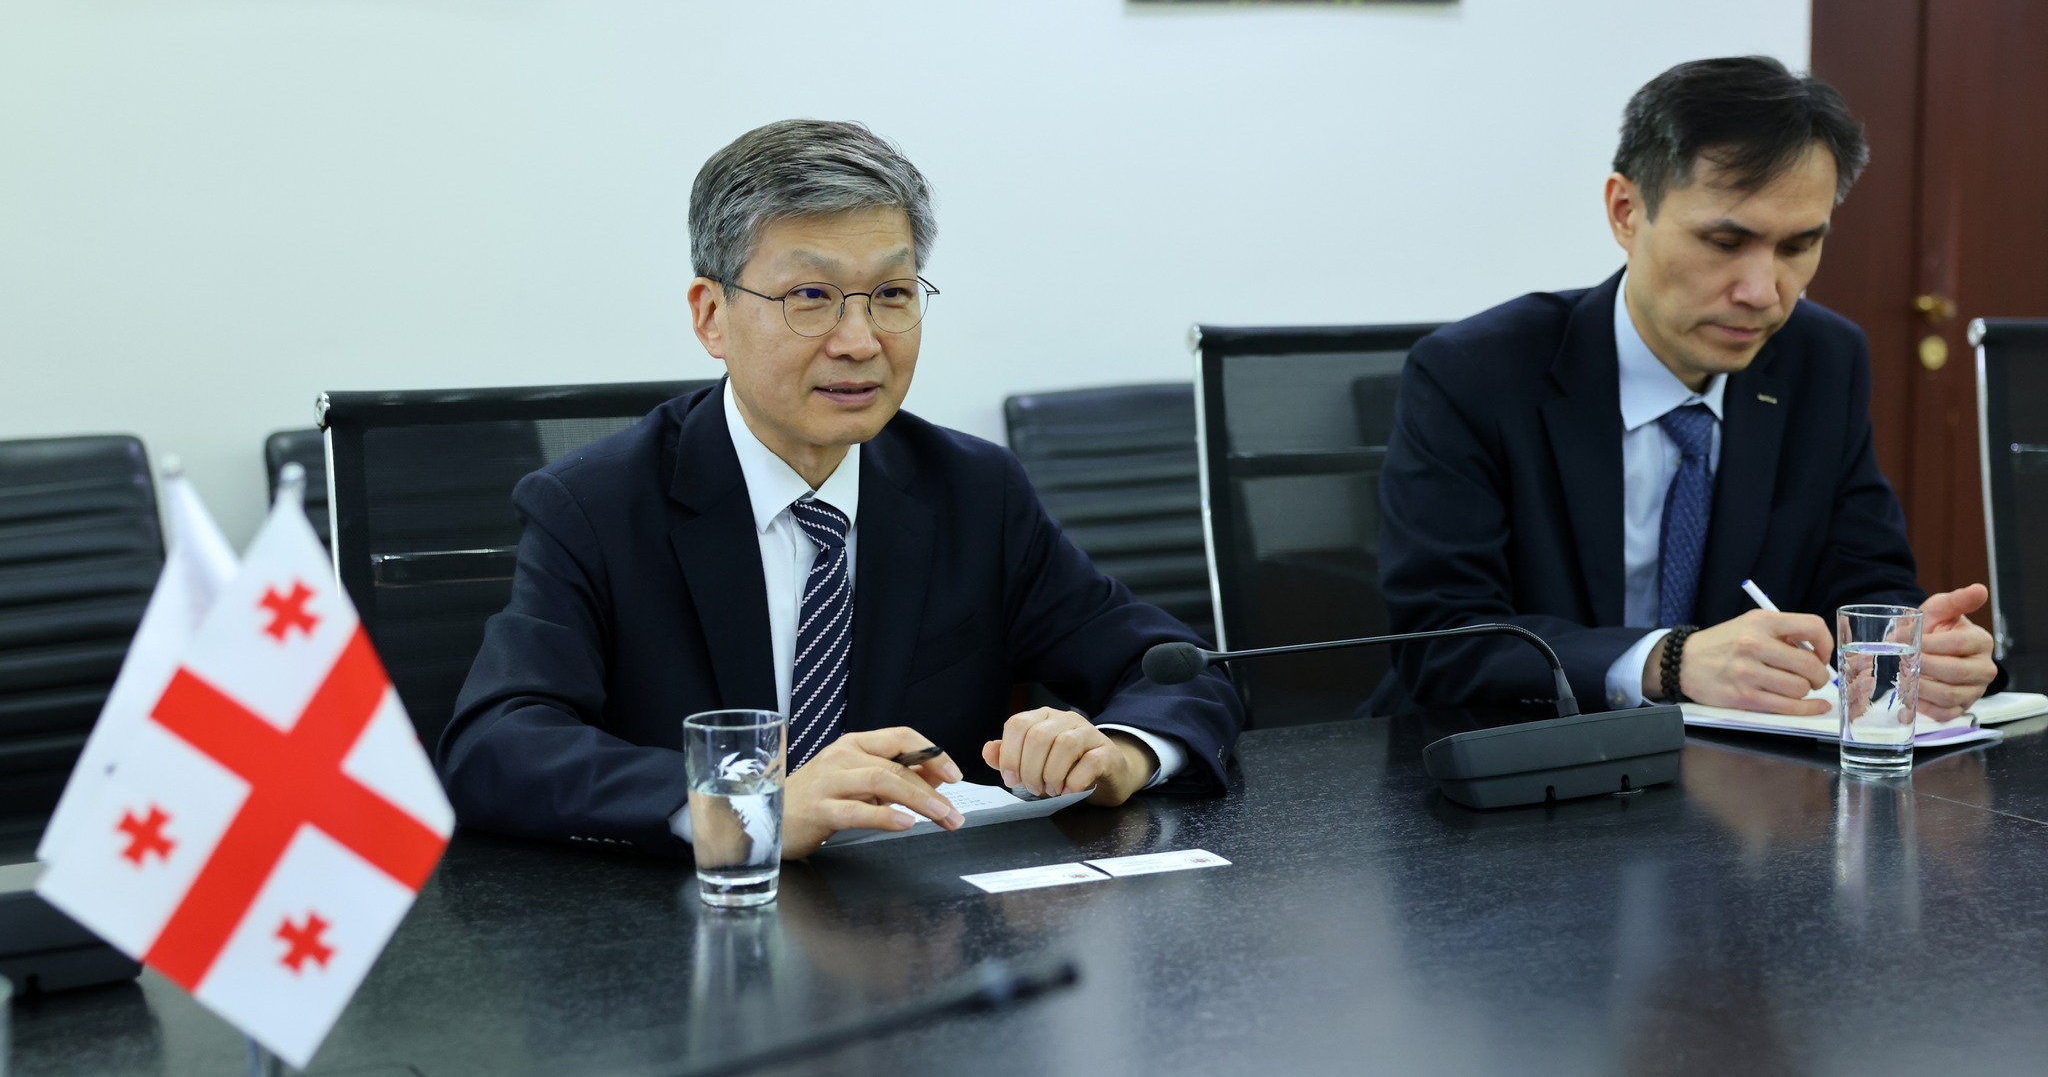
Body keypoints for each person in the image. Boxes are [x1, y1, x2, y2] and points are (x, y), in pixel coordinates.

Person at [438, 119, 1242, 858]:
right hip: (690, 931)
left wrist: (1120, 752)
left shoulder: (972, 491)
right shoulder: (595, 507)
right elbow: (496, 746)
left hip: (926, 926)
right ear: (712, 316)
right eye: (810, 298)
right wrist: (747, 809)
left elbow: (1177, 668)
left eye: (891, 295)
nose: (859, 342)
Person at [1370, 57, 1999, 720]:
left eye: (1796, 248)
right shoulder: (1474, 373)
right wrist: (1667, 661)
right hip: (1506, 757)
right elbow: (1442, 639)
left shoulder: (1821, 360)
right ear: (1626, 212)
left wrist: (1911, 647)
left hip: (1738, 768)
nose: (1762, 292)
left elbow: (1863, 575)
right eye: (1725, 242)